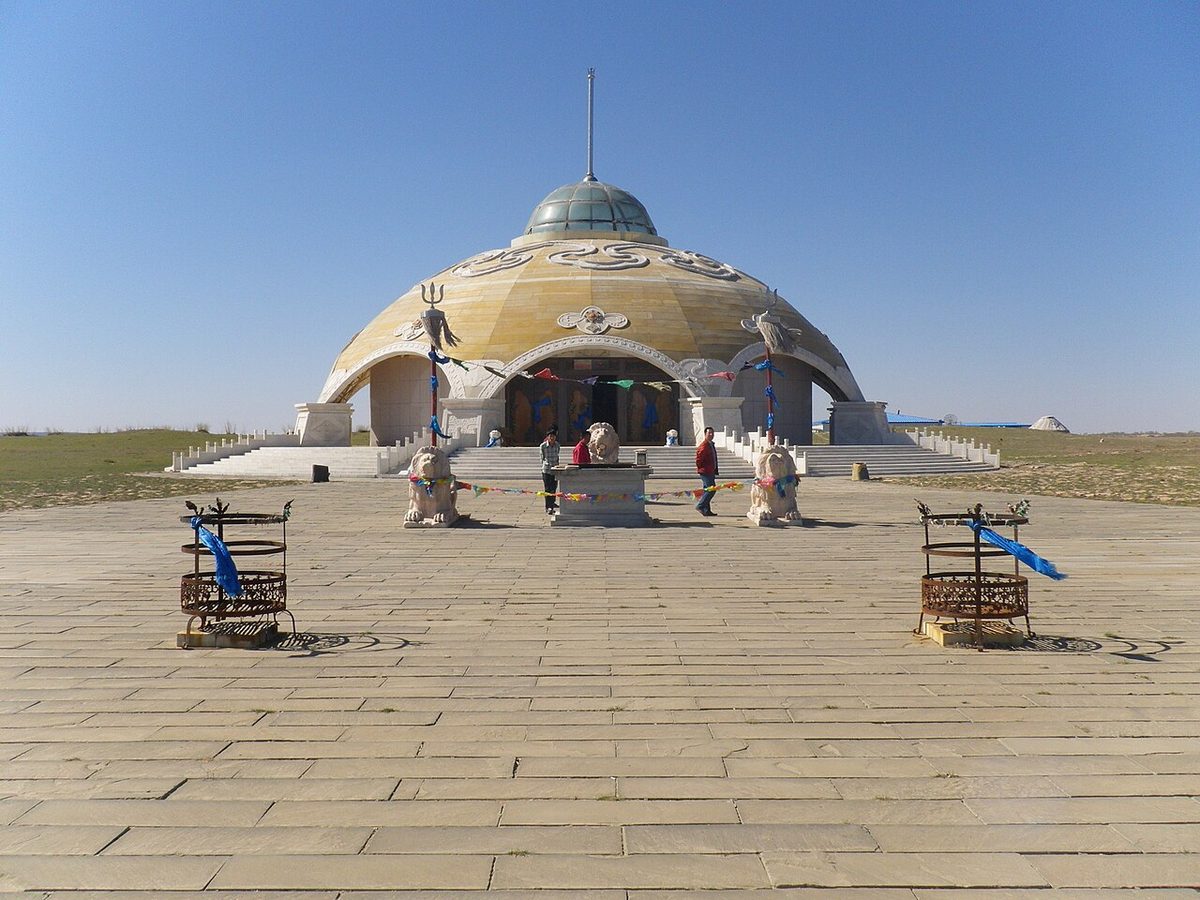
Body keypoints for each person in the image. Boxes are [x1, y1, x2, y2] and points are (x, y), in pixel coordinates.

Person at [695, 426, 718, 516]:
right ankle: (700, 505)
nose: (711, 435)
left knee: (707, 490)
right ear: (705, 434)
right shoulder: (704, 445)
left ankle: (706, 510)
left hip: (710, 470)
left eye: (712, 433)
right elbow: (698, 459)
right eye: (709, 433)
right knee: (711, 490)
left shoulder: (711, 444)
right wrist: (701, 468)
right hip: (705, 471)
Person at [539, 427, 560, 513]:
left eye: (553, 436)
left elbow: (557, 455)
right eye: (550, 436)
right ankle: (548, 507)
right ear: (547, 437)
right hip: (546, 470)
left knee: (554, 488)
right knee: (547, 489)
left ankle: (552, 503)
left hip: (555, 470)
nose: (552, 438)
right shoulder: (543, 446)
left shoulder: (557, 445)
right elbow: (542, 457)